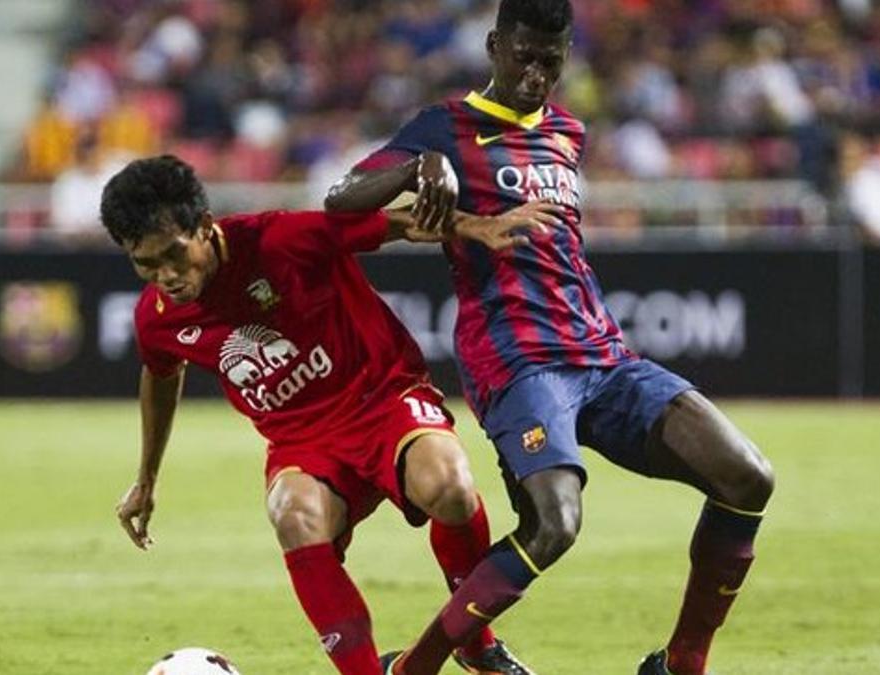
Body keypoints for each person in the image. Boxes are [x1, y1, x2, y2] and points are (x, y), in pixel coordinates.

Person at [324, 1, 775, 674]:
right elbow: (342, 197)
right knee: (555, 524)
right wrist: (414, 172)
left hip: (604, 357)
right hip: (517, 362)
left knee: (747, 476)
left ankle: (682, 663)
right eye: (523, 56)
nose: (536, 74)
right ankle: (415, 667)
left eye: (551, 60)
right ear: (493, 45)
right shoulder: (445, 127)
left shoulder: (567, 132)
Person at [103, 155, 559, 675]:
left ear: (204, 226)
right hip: (303, 443)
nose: (166, 276)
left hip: (382, 397)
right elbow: (161, 374)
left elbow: (398, 223)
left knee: (450, 485)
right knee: (292, 512)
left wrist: (476, 225)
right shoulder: (156, 320)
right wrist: (146, 480)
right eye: (145, 264)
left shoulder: (278, 240)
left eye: (174, 255)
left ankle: (477, 649)